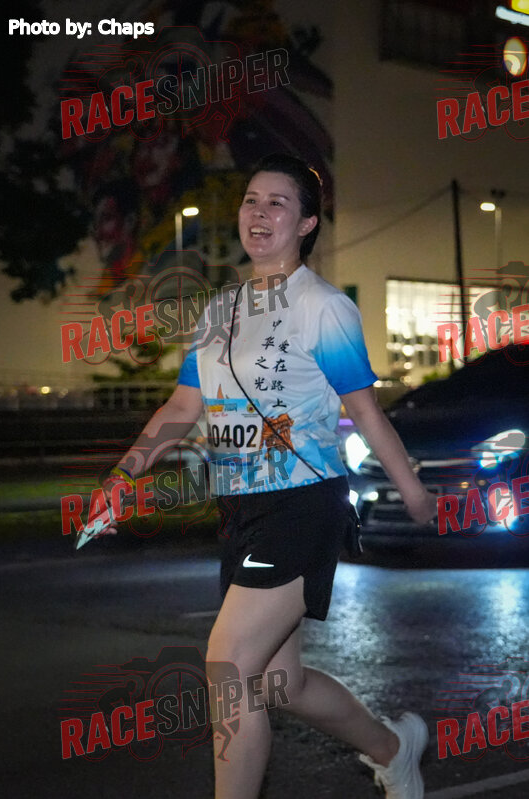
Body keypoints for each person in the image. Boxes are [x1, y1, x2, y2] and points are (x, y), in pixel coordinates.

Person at [98, 153, 437, 798]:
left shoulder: (324, 307)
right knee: (281, 684)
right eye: (251, 200)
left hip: (302, 504)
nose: (258, 213)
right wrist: (124, 475)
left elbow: (365, 410)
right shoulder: (219, 310)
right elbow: (183, 407)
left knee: (228, 669)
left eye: (277, 203)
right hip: (240, 507)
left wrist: (414, 491)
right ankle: (394, 750)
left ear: (306, 223)